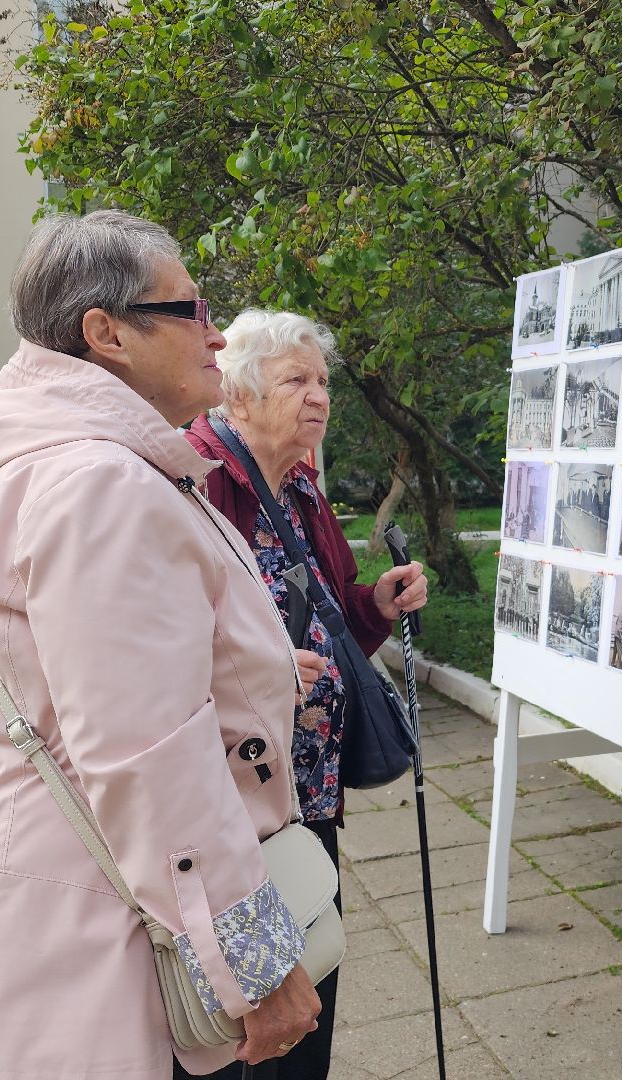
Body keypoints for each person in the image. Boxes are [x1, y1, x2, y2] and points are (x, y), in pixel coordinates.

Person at [0, 211, 321, 1080]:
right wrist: (255, 967)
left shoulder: (54, 464)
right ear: (106, 334)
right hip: (91, 921)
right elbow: (149, 754)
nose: (215, 334)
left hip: (54, 890)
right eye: (190, 310)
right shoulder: (97, 481)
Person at [185, 309, 430, 1080]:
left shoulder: (301, 490)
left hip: (307, 792)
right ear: (241, 393)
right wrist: (259, 670)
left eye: (322, 380)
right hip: (226, 806)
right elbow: (162, 645)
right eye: (297, 379)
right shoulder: (197, 483)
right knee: (233, 1019)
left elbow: (329, 615)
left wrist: (376, 606)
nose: (319, 396)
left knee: (311, 982)